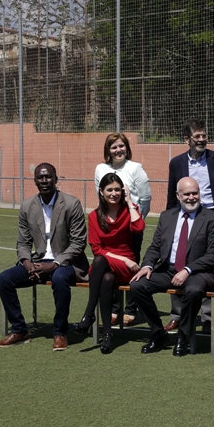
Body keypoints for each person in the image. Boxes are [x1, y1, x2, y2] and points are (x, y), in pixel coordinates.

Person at [0, 163, 89, 350]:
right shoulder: (27, 206)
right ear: (35, 181)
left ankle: (60, 333)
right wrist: (27, 262)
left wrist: (55, 264)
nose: (44, 181)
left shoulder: (71, 204)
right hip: (38, 262)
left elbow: (78, 243)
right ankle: (20, 329)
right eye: (40, 177)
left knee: (60, 279)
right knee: (5, 279)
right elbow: (23, 242)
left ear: (56, 179)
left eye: (48, 177)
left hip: (67, 263)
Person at [131, 177, 214, 356]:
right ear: (178, 195)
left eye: (195, 193)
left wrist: (187, 270)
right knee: (138, 285)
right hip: (168, 269)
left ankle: (183, 334)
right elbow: (155, 247)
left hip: (199, 272)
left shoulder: (212, 218)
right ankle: (158, 333)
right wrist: (148, 265)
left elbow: (213, 255)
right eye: (187, 194)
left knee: (193, 290)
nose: (191, 197)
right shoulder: (167, 217)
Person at [165, 119, 214, 334]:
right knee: (178, 263)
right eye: (197, 136)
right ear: (187, 139)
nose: (202, 139)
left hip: (211, 218)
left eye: (204, 135)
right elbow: (171, 193)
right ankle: (177, 316)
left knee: (210, 267)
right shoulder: (176, 163)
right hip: (184, 218)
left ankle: (208, 318)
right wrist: (169, 219)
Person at [74, 173, 145, 353]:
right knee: (105, 278)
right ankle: (107, 335)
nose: (114, 193)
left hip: (128, 268)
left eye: (117, 189)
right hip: (112, 263)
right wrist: (123, 260)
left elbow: (139, 228)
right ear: (101, 192)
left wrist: (129, 202)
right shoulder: (94, 216)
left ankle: (89, 315)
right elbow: (97, 248)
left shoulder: (130, 209)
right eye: (109, 190)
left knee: (100, 262)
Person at [94, 132, 152, 327]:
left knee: (131, 265)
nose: (118, 150)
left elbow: (145, 198)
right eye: (114, 147)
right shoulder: (100, 168)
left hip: (131, 225)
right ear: (108, 151)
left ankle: (130, 309)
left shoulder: (135, 168)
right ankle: (114, 308)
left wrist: (134, 220)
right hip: (108, 225)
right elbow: (99, 195)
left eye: (121, 146)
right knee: (110, 264)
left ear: (127, 147)